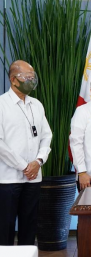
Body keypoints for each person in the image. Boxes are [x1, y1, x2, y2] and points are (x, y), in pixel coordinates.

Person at [0, 60, 52, 245]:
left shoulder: (36, 104)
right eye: (28, 77)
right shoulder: (1, 105)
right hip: (7, 180)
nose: (32, 80)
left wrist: (38, 161)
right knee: (4, 227)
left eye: (33, 77)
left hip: (33, 178)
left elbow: (47, 135)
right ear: (14, 80)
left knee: (29, 225)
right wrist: (24, 166)